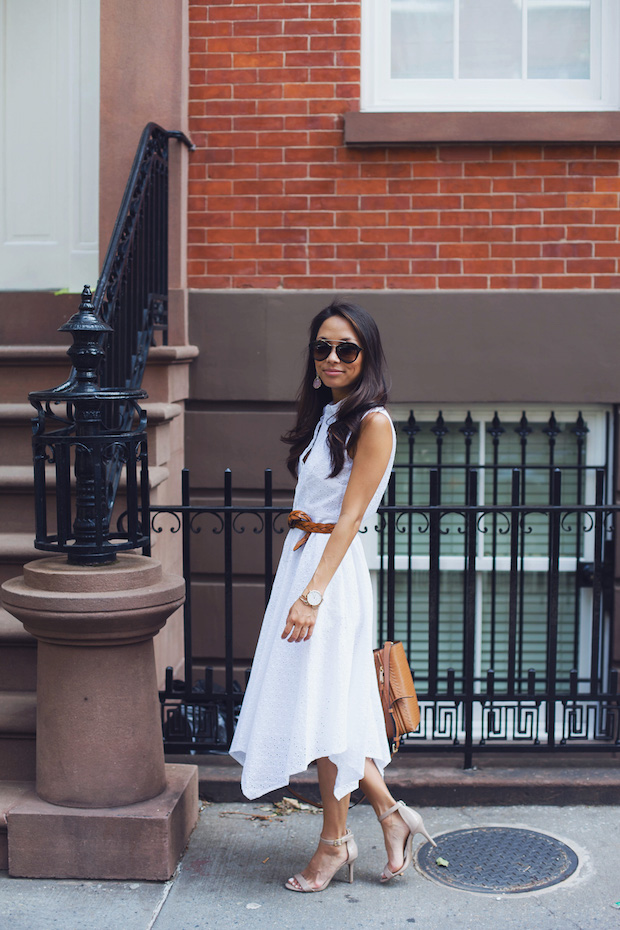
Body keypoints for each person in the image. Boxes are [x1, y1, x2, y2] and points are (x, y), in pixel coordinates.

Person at [230, 298, 435, 892]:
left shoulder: (373, 422)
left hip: (329, 579)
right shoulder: (330, 415)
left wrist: (312, 596)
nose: (332, 358)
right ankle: (389, 818)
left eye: (346, 348)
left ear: (367, 356)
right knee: (324, 709)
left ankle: (337, 842)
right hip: (304, 570)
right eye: (322, 347)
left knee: (320, 709)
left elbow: (347, 520)